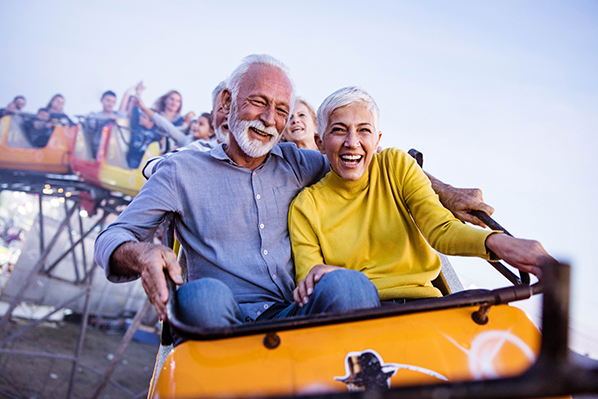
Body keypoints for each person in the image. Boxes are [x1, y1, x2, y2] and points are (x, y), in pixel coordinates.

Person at [94, 55, 502, 334]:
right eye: (258, 103)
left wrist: (444, 191)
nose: (270, 119)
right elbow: (113, 236)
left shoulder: (298, 161)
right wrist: (143, 253)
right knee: (202, 295)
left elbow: (365, 158)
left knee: (351, 288)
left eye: (282, 110)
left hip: (296, 314)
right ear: (226, 102)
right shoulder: (180, 170)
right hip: (223, 315)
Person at [289, 87, 551, 308]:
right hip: (361, 314)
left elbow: (441, 229)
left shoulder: (396, 165)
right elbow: (309, 282)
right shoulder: (306, 205)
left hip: (425, 306)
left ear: (377, 138)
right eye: (339, 130)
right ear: (320, 142)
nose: (352, 142)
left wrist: (504, 244)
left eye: (364, 130)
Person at [86, 90, 128, 156]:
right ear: (101, 100)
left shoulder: (116, 115)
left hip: (113, 150)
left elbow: (122, 112)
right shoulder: (94, 115)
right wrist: (108, 119)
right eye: (108, 100)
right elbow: (92, 125)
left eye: (113, 102)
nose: (110, 104)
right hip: (98, 149)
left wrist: (127, 93)